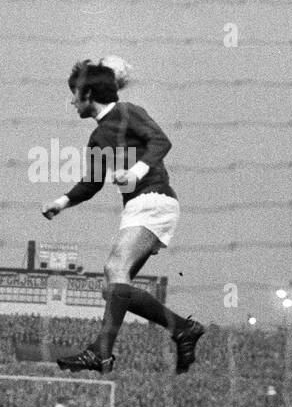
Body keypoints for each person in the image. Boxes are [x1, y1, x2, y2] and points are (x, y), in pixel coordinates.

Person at [42, 57, 203, 374]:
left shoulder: (128, 112)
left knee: (114, 268)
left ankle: (101, 353)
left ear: (88, 95)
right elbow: (91, 184)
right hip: (138, 206)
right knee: (114, 287)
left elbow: (161, 140)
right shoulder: (98, 137)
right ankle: (182, 329)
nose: (72, 101)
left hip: (154, 200)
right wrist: (61, 202)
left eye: (75, 93)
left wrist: (136, 170)